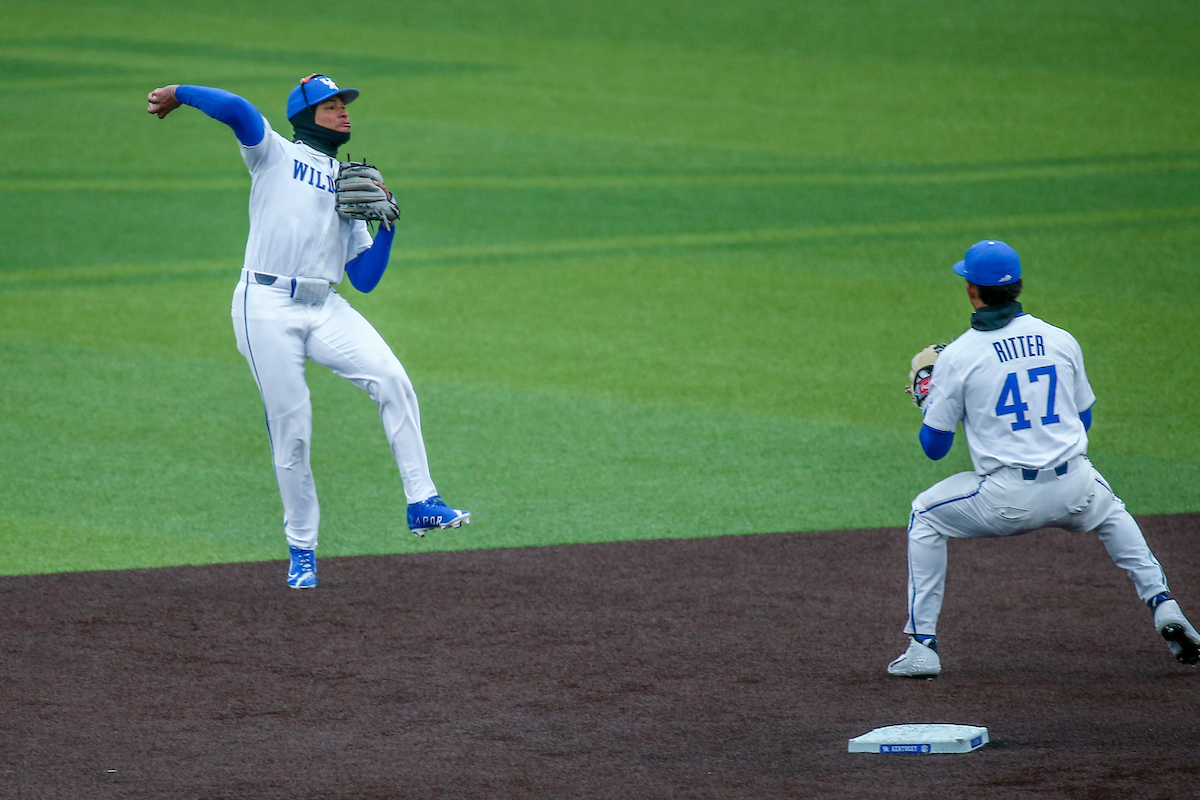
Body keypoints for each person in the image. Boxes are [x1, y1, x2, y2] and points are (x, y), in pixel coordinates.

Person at [146, 75, 470, 589]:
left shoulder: (350, 181)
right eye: (331, 105)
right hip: (265, 305)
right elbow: (236, 108)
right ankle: (302, 549)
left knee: (391, 378)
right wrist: (179, 93)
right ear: (305, 115)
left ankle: (422, 501)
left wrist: (388, 226)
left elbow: (363, 278)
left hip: (325, 305)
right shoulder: (271, 152)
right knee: (293, 429)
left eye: (344, 104)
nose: (343, 112)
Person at [888, 239, 1199, 677]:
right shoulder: (1060, 338)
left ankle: (923, 646)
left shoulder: (958, 357)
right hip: (1075, 485)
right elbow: (1083, 418)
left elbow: (934, 448)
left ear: (971, 290)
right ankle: (1163, 604)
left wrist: (929, 396)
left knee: (925, 514)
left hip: (1006, 500)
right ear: (1017, 286)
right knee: (1111, 511)